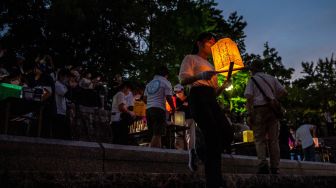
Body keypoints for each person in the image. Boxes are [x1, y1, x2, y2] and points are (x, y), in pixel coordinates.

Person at [179, 32, 232, 188]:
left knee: (227, 134)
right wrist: (200, 75)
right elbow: (183, 80)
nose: (212, 45)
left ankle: (199, 152)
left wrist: (223, 85)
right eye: (210, 42)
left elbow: (214, 91)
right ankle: (214, 180)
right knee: (213, 137)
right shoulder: (190, 58)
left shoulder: (212, 65)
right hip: (197, 96)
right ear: (199, 43)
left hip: (211, 98)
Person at [244, 59, 287, 174]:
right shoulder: (271, 78)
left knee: (259, 139)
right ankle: (275, 167)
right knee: (273, 140)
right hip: (272, 110)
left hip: (259, 110)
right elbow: (284, 92)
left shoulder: (252, 80)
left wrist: (249, 113)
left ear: (253, 70)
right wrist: (273, 99)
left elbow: (249, 97)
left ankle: (263, 165)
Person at [144, 65, 175, 148]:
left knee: (155, 133)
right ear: (166, 74)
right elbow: (169, 97)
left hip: (148, 109)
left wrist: (151, 103)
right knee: (158, 133)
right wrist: (173, 108)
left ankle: (157, 154)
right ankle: (149, 152)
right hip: (159, 109)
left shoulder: (149, 83)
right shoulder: (166, 82)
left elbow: (145, 98)